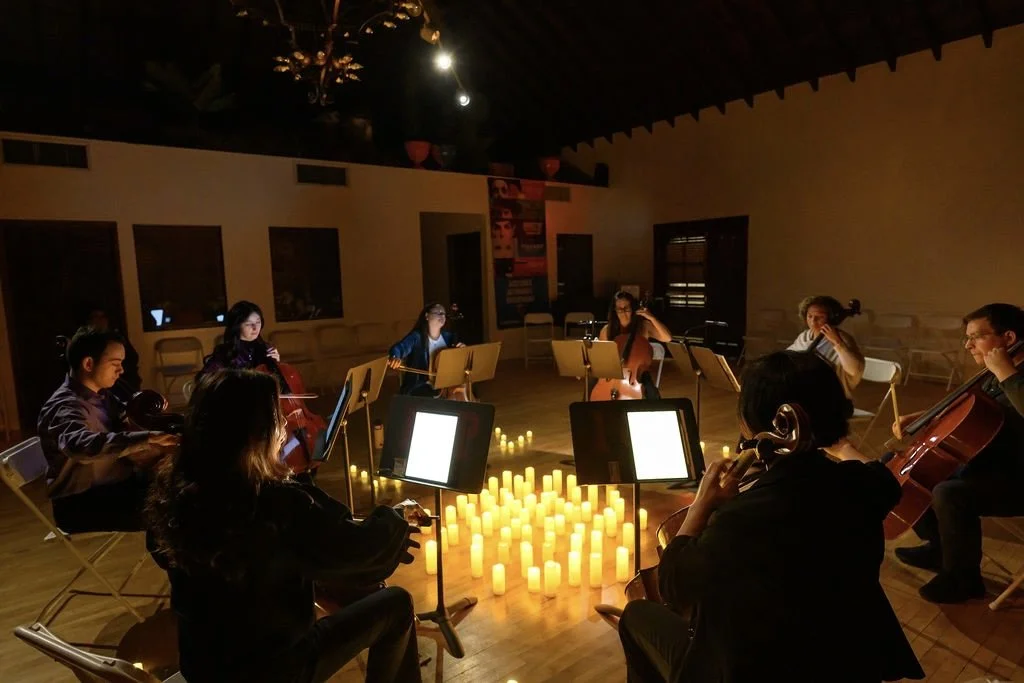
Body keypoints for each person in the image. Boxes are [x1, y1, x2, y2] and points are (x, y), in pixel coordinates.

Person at [617, 351, 923, 683]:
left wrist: (701, 504)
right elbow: (882, 477)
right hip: (848, 662)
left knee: (636, 616)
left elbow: (673, 587)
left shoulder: (745, 516)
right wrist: (836, 444)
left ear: (756, 421)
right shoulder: (865, 486)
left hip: (764, 671)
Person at [147, 370, 423, 683]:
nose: (284, 428)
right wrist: (396, 519)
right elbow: (356, 549)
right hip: (274, 670)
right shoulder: (273, 504)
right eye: (277, 418)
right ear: (256, 434)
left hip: (204, 669)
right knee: (396, 604)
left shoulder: (176, 494)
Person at [891, 303, 1024, 603]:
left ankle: (964, 579)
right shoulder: (994, 374)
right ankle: (939, 547)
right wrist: (923, 417)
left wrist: (1007, 372)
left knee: (949, 492)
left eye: (976, 337)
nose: (968, 345)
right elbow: (972, 408)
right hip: (989, 463)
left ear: (1008, 338)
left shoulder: (1007, 373)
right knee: (912, 470)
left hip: (1016, 476)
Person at [37, 327, 179, 533]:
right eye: (115, 364)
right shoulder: (65, 406)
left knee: (182, 490)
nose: (121, 371)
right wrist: (146, 438)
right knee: (176, 508)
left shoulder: (103, 395)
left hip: (114, 489)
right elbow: (80, 445)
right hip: (82, 504)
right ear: (88, 364)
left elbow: (124, 421)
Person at [597, 290, 672, 399]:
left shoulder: (643, 326)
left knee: (652, 395)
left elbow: (667, 338)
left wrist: (652, 318)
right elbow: (600, 358)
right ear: (614, 311)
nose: (623, 312)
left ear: (633, 309)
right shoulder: (607, 330)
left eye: (626, 308)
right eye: (619, 309)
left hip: (637, 376)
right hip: (613, 374)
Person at [787, 295, 865, 397]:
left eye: (820, 317)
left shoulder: (843, 339)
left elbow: (855, 370)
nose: (813, 321)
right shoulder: (804, 336)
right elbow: (788, 359)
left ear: (831, 318)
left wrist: (837, 343)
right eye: (810, 316)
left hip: (830, 395)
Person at [387, 303, 465, 397]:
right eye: (438, 312)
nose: (442, 316)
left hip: (446, 386)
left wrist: (462, 351)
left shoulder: (449, 337)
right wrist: (395, 357)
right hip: (421, 387)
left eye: (443, 313)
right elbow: (399, 348)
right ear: (427, 316)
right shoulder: (417, 337)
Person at [198, 300, 280, 376]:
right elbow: (204, 379)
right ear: (237, 326)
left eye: (258, 322)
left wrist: (276, 364)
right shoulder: (225, 353)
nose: (255, 328)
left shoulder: (264, 348)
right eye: (248, 324)